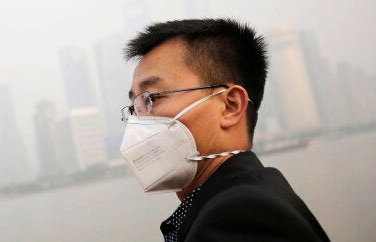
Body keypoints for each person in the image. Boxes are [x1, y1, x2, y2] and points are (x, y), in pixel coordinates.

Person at [118, 19, 329, 241]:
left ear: (230, 106)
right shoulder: (252, 193)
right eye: (135, 107)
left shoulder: (238, 215)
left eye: (152, 97)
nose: (138, 121)